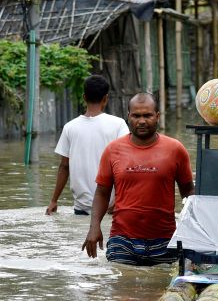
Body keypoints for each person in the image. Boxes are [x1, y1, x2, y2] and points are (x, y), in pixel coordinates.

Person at [82, 93, 195, 266]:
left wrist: (194, 230)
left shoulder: (175, 149)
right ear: (128, 117)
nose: (141, 121)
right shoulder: (113, 150)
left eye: (147, 115)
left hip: (165, 241)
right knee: (122, 289)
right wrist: (94, 227)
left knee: (160, 290)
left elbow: (189, 192)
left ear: (157, 116)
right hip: (122, 240)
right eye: (136, 115)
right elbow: (102, 193)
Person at [46, 75, 129, 216]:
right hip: (111, 207)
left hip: (81, 209)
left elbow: (64, 167)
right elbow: (127, 164)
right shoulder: (118, 124)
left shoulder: (69, 127)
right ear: (105, 98)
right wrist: (121, 197)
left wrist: (54, 200)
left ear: (84, 97)